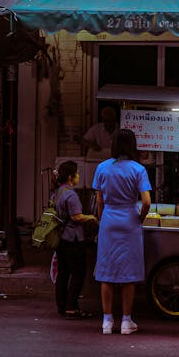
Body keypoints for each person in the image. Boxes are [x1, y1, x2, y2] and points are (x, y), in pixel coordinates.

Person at [92, 128, 151, 335]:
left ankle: (107, 321)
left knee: (106, 271)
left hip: (108, 219)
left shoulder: (102, 168)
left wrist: (102, 221)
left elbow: (99, 200)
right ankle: (126, 321)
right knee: (129, 272)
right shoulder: (138, 169)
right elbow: (146, 201)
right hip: (129, 220)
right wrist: (139, 218)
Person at [52, 160, 99, 319]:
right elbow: (76, 216)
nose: (78, 176)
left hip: (62, 238)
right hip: (73, 239)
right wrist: (91, 217)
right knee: (78, 273)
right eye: (77, 173)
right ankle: (72, 308)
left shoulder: (58, 191)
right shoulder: (71, 194)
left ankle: (62, 306)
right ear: (71, 176)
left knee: (63, 273)